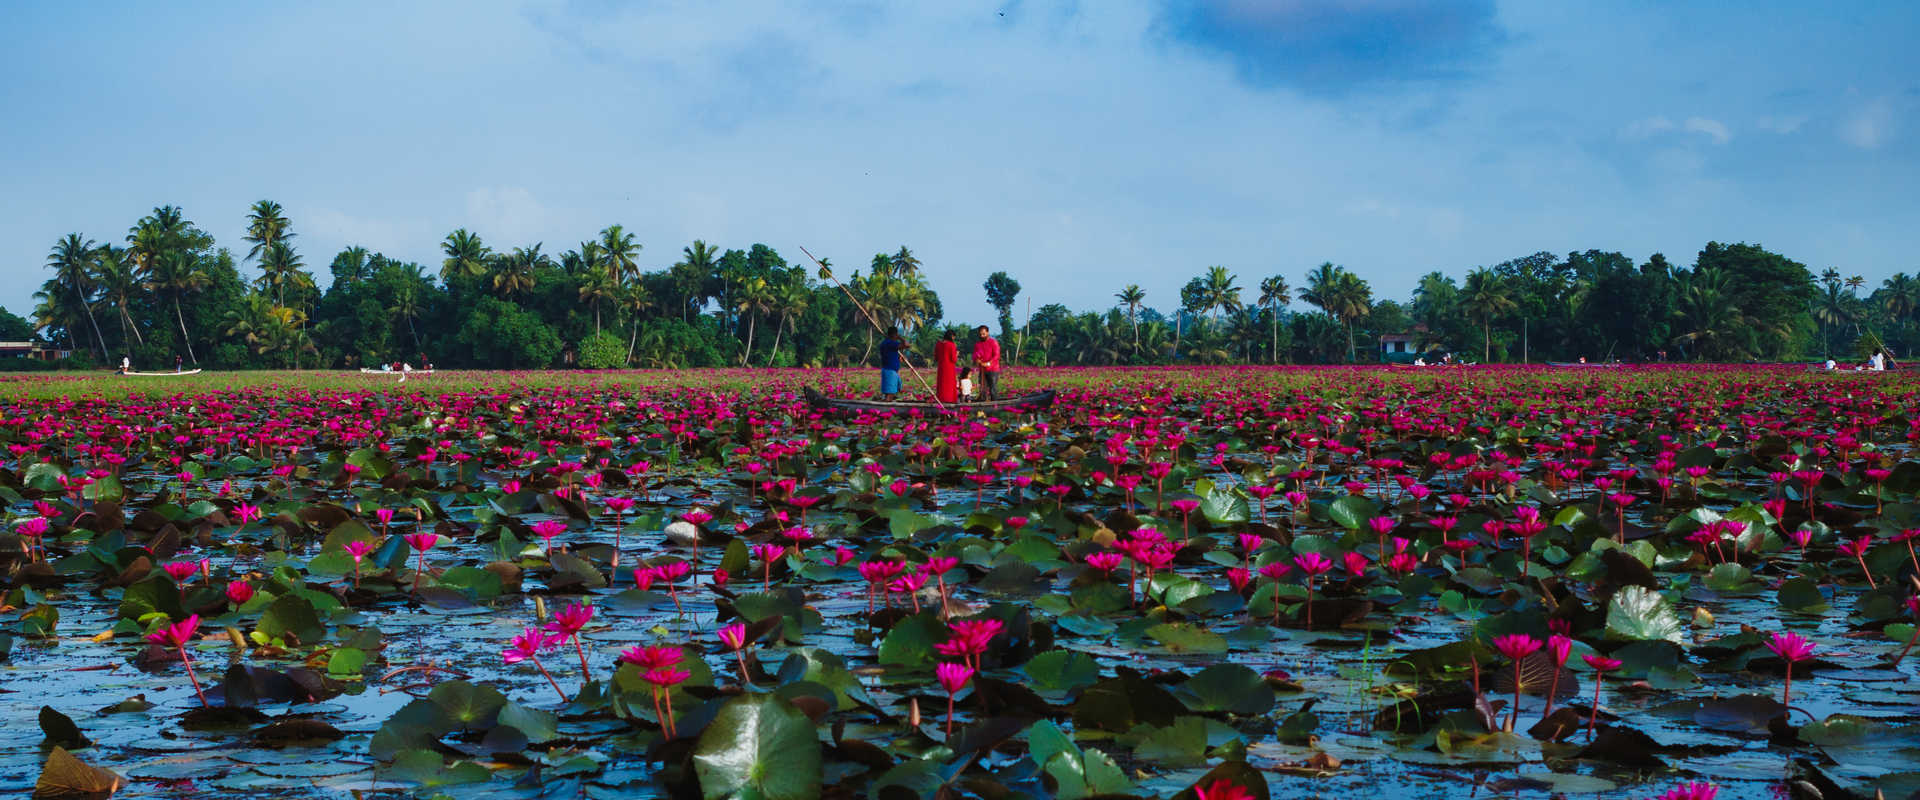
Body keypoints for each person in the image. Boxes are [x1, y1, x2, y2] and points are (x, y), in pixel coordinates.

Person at [971, 325, 1001, 401]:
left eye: (983, 334)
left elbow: (996, 355)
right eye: (980, 334)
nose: (982, 336)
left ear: (987, 332)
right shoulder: (977, 344)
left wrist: (988, 363)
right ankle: (983, 405)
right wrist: (976, 359)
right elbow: (974, 355)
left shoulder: (993, 342)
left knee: (992, 389)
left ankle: (995, 404)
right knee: (982, 389)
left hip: (993, 369)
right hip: (982, 370)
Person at [878, 327, 904, 397]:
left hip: (888, 370)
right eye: (897, 334)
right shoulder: (891, 343)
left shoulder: (885, 343)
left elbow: (892, 353)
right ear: (894, 334)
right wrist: (901, 338)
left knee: (891, 393)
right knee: (890, 395)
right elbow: (906, 345)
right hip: (890, 371)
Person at [935, 330, 959, 404]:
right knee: (950, 384)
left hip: (941, 367)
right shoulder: (952, 345)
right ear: (952, 336)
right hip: (949, 368)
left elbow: (936, 358)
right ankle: (950, 399)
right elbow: (954, 359)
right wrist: (957, 354)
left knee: (941, 383)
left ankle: (941, 399)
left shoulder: (938, 344)